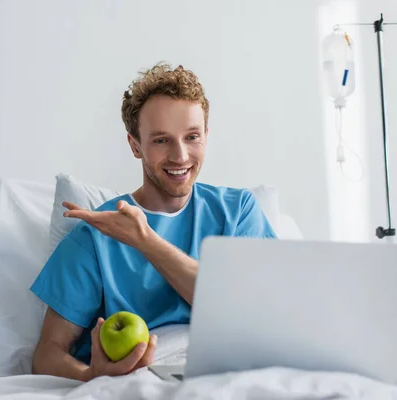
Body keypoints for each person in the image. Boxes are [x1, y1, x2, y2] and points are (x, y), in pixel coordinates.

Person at [29, 62, 276, 382]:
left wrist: (145, 241)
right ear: (135, 145)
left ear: (206, 136)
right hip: (144, 381)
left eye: (192, 137)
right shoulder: (96, 236)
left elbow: (249, 308)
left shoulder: (238, 212)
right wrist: (92, 374)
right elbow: (47, 354)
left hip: (232, 373)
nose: (180, 156)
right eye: (161, 140)